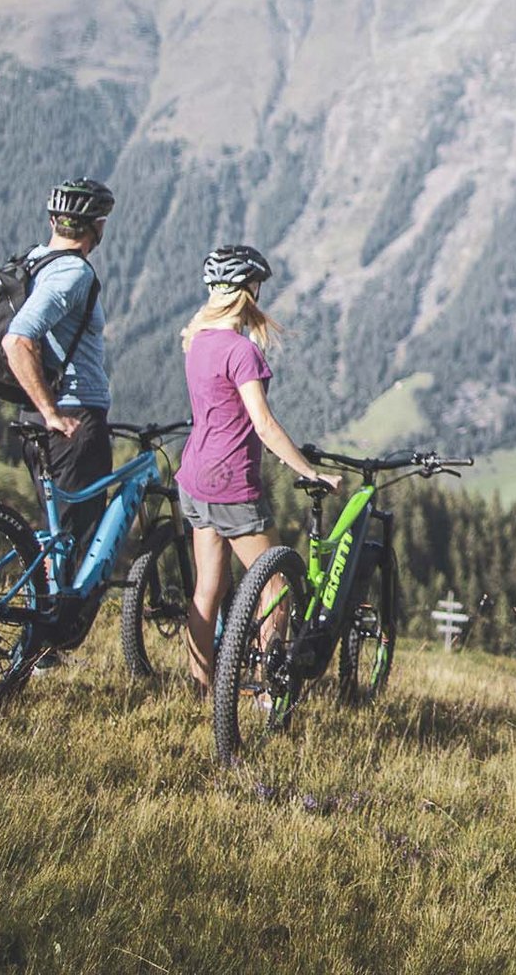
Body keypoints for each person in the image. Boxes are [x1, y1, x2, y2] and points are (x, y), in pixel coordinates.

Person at [175, 244, 337, 694]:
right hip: (232, 485)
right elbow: (263, 424)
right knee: (276, 587)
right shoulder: (242, 352)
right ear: (248, 292)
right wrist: (308, 471)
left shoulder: (197, 342)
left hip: (194, 479)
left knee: (208, 589)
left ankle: (200, 687)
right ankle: (271, 690)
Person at [3, 177, 116, 560]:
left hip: (35, 417)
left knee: (60, 541)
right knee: (81, 552)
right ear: (97, 227)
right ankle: (56, 621)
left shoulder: (34, 261)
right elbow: (17, 340)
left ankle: (47, 613)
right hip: (71, 422)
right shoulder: (73, 272)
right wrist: (54, 413)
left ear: (54, 221)